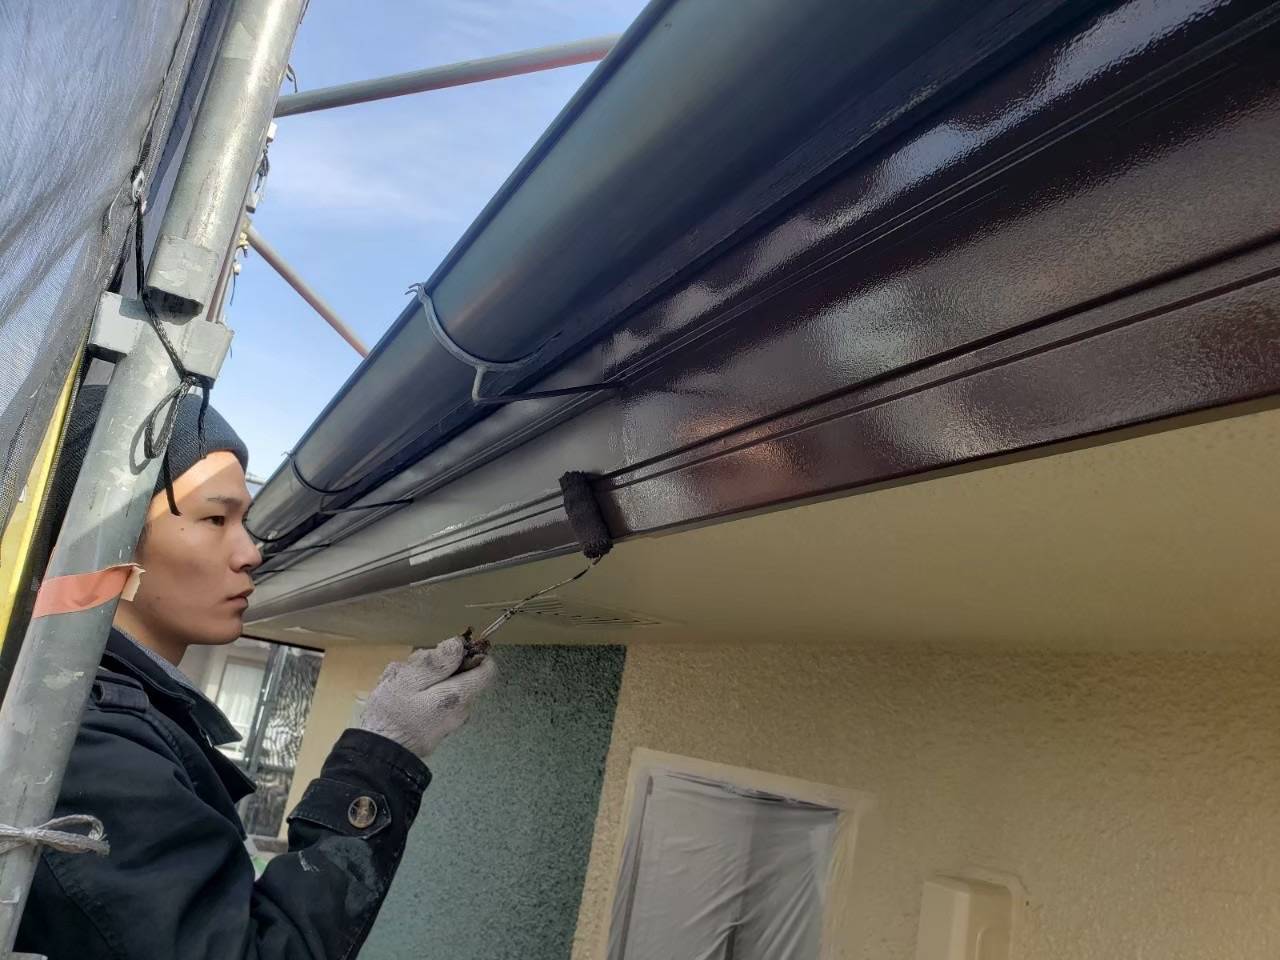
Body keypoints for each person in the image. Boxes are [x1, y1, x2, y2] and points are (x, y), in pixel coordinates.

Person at [16, 384, 497, 959]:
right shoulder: (88, 748)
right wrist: (382, 753)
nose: (251, 553)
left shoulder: (88, 714)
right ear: (101, 541)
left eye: (242, 521)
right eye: (215, 518)